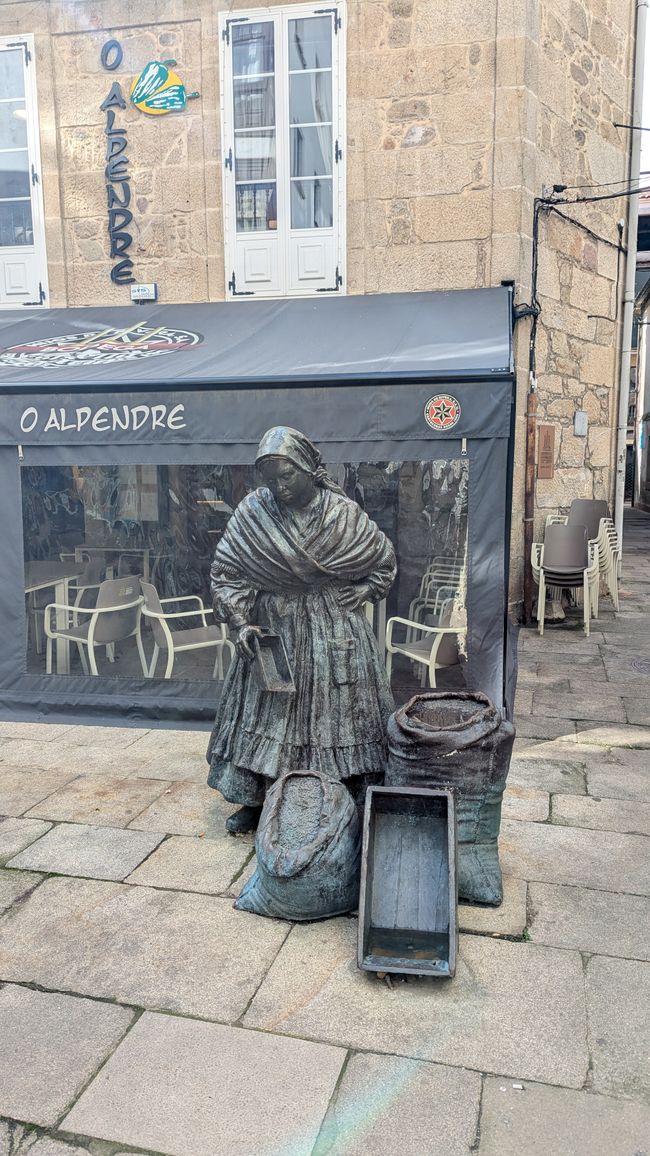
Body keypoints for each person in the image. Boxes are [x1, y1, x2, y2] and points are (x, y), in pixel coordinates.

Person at [207, 426, 397, 834]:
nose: (279, 487)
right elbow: (227, 572)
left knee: (338, 715)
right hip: (274, 625)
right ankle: (259, 800)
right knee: (273, 714)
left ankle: (345, 795)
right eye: (270, 479)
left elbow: (384, 561)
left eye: (286, 476)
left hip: (333, 625)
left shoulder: (342, 515)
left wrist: (364, 589)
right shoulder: (253, 513)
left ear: (309, 468)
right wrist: (240, 622)